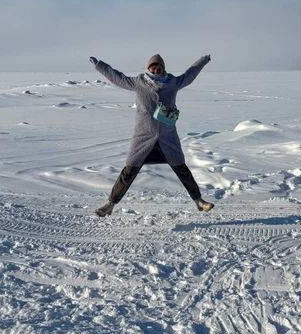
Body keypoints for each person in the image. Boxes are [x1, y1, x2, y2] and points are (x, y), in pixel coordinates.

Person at [89, 53, 215, 217]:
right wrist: (100, 65)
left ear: (163, 69)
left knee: (181, 168)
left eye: (159, 68)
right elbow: (117, 77)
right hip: (143, 136)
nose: (156, 70)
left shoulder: (172, 83)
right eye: (153, 67)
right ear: (148, 68)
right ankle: (110, 204)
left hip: (167, 136)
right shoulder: (138, 83)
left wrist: (202, 61)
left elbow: (189, 75)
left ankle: (199, 201)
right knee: (129, 171)